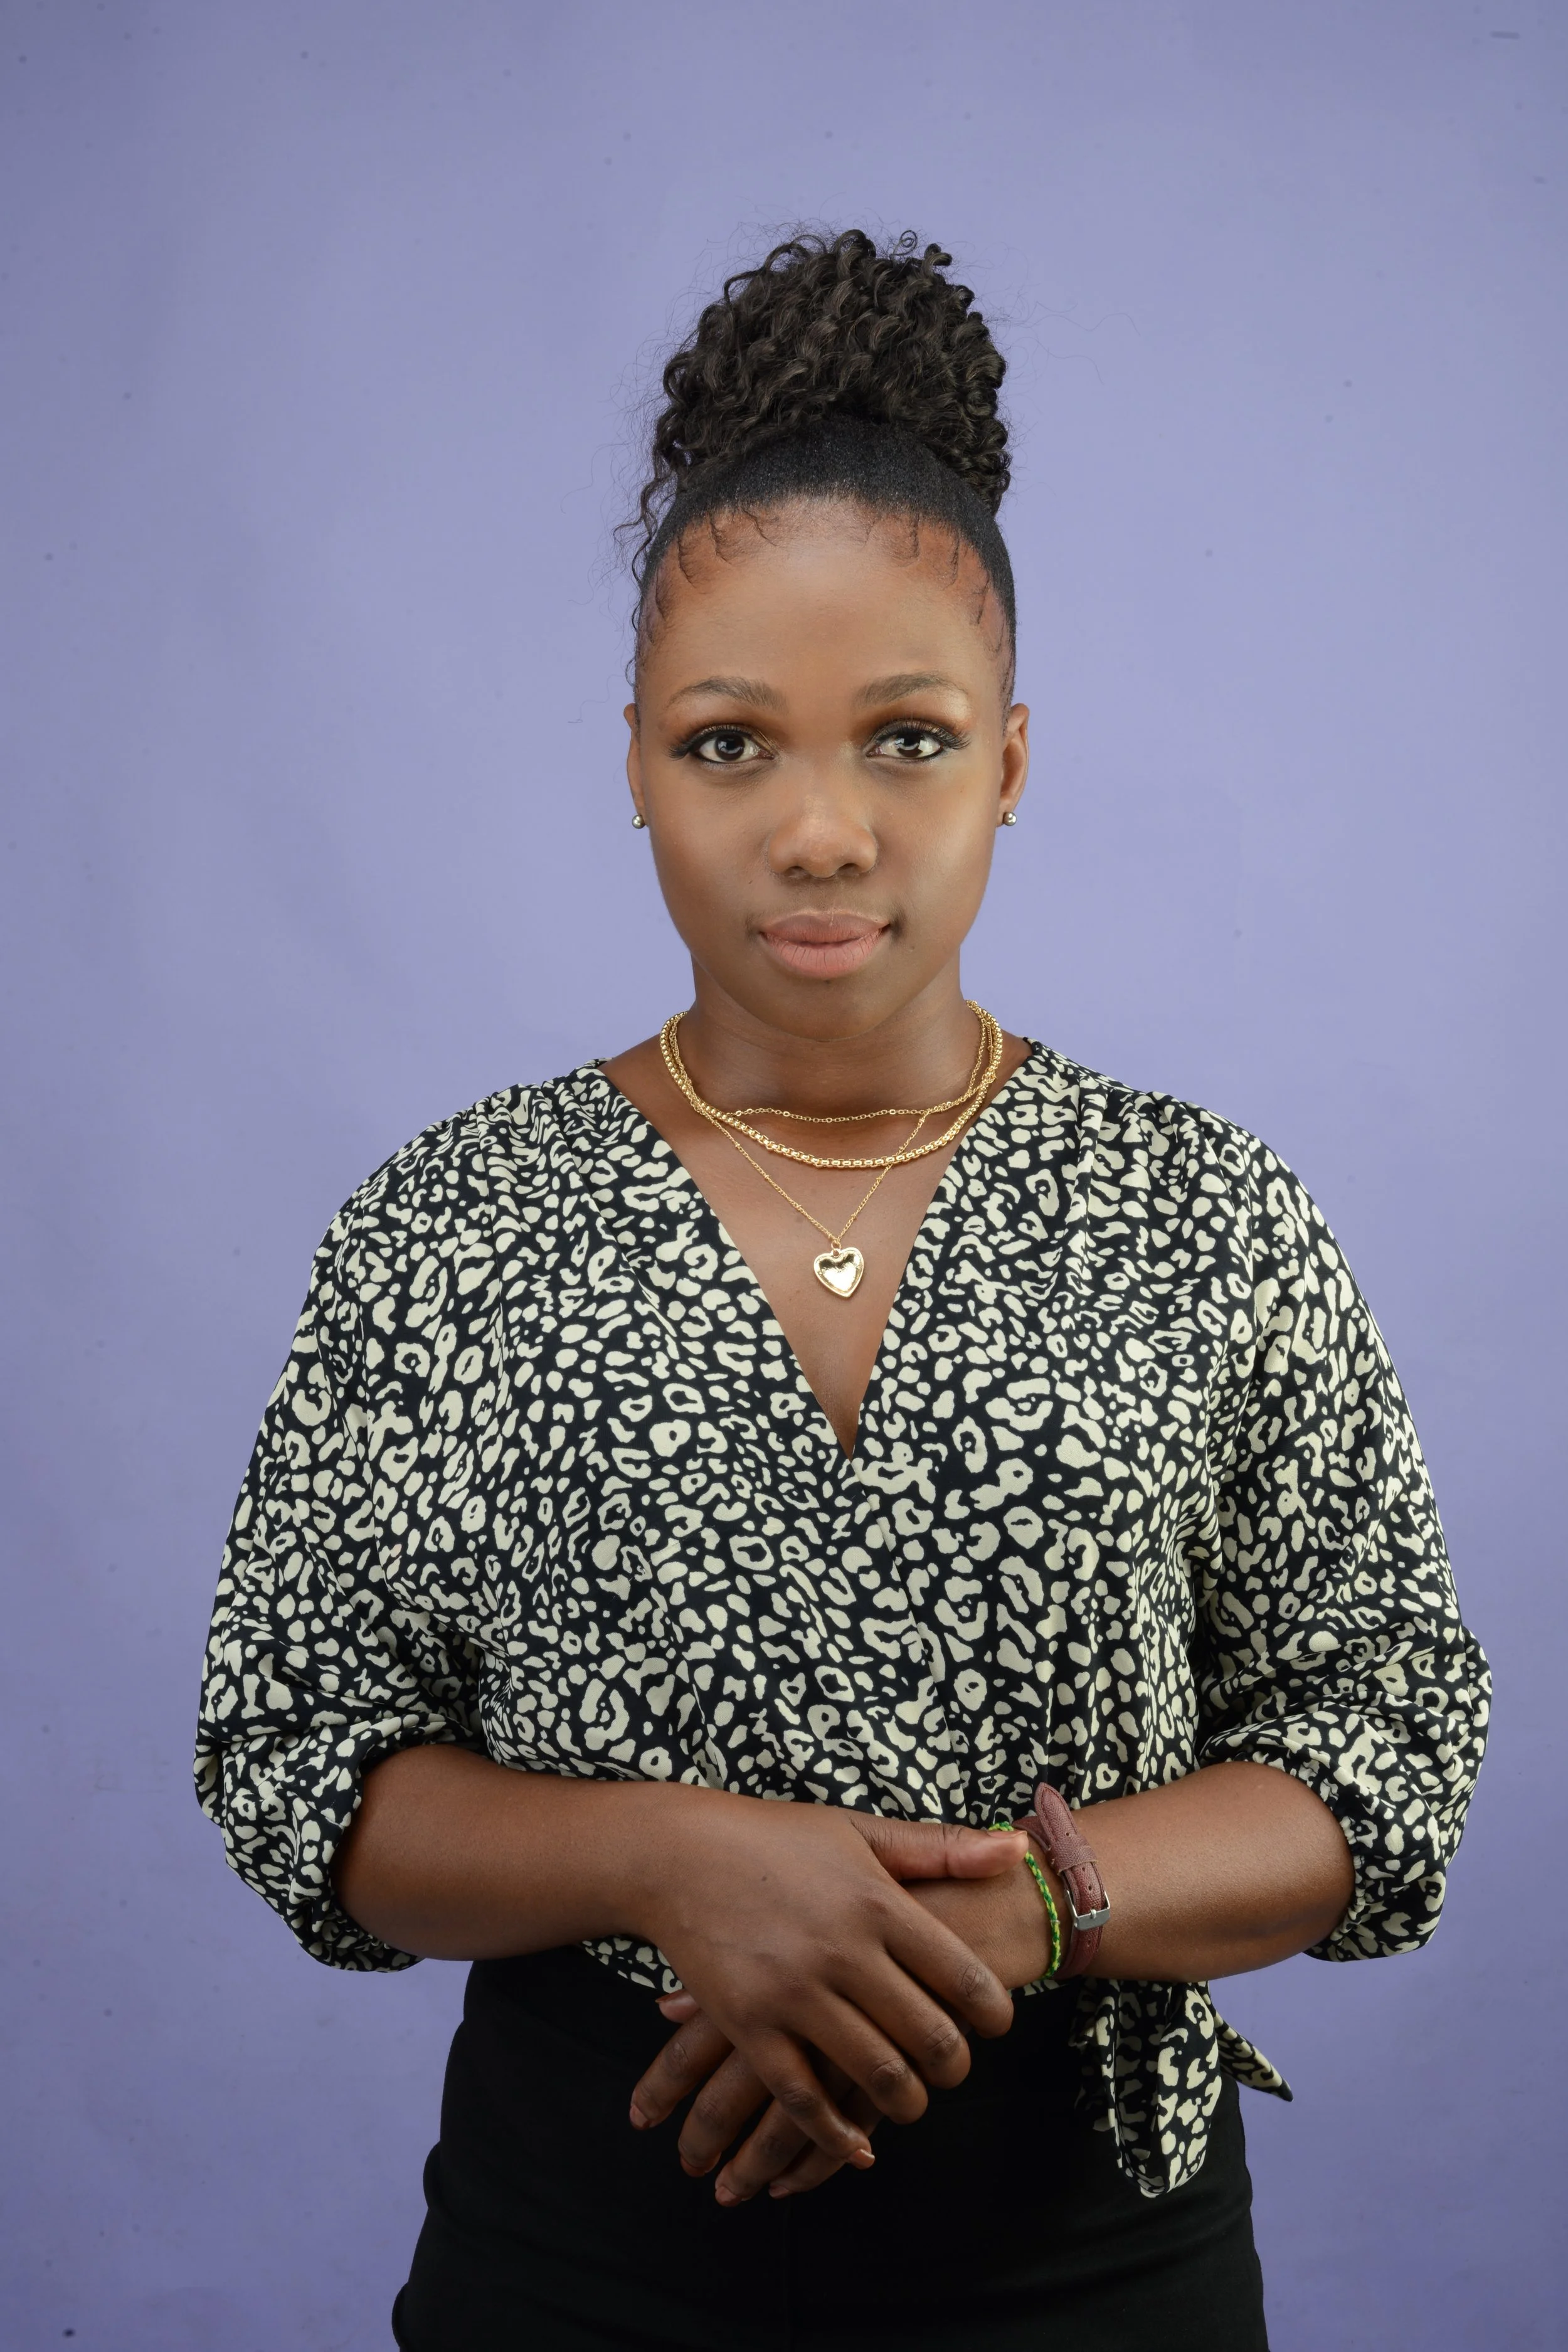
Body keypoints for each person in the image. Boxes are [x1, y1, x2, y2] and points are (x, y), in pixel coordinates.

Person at [195, 230, 1488, 2352]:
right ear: (633, 757)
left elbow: (1382, 1745)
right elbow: (297, 1758)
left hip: (1093, 2263)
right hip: (579, 2258)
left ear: (1011, 760)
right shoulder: (451, 1223)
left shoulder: (1205, 1211)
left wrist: (1026, 1916)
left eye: (905, 736)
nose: (818, 830)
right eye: (730, 744)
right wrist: (669, 1859)